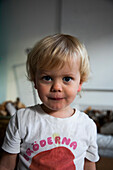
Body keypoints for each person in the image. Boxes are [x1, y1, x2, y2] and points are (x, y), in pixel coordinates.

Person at [0, 34, 99, 170]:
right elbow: (6, 165)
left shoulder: (87, 126)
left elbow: (89, 165)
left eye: (67, 79)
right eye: (47, 78)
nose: (57, 87)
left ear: (80, 83)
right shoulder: (21, 119)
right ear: (35, 81)